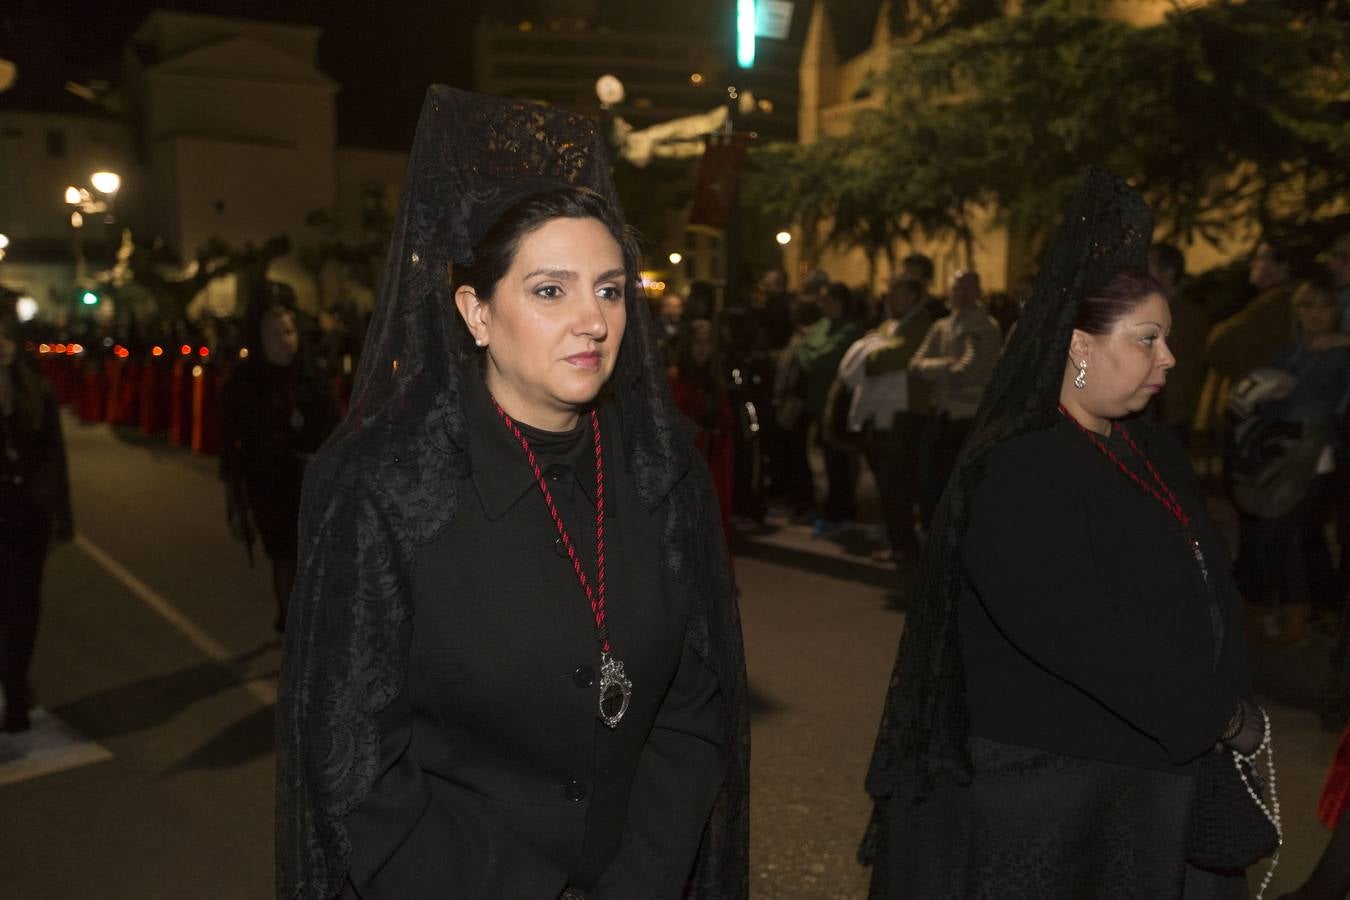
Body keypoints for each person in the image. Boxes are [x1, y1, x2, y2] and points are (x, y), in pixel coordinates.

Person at [276, 88, 748, 900]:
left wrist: (640, 878)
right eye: (550, 290)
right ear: (476, 312)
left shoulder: (661, 473)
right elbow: (354, 759)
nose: (593, 321)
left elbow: (695, 704)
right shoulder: (386, 491)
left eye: (609, 289)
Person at [861, 170, 1263, 898]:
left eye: (1166, 340)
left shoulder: (1154, 447)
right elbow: (1078, 628)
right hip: (1063, 795)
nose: (1167, 360)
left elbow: (1209, 575)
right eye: (1147, 340)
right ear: (1079, 344)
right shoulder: (1019, 468)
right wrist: (1217, 715)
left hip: (1164, 768)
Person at [1233, 275, 1350, 644]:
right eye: (1307, 305)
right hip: (1274, 453)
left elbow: (1307, 403)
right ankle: (1278, 613)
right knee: (1276, 533)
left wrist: (1274, 398)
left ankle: (1282, 613)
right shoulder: (1288, 350)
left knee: (1281, 532)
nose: (1315, 314)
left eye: (1324, 305)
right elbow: (1257, 397)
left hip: (1311, 457)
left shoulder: (1341, 353)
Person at [219, 293, 340, 633]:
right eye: (275, 333)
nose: (284, 340)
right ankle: (292, 622)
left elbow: (336, 428)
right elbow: (231, 441)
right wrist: (235, 488)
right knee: (285, 553)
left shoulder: (314, 378)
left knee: (313, 556)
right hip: (270, 483)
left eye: (289, 331)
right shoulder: (244, 384)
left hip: (313, 482)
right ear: (259, 338)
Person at [0, 301, 72, 732]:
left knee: (24, 606)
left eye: (7, 337)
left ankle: (18, 684)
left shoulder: (36, 388)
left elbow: (53, 455)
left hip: (27, 517)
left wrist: (51, 509)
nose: (2, 346)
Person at [836, 275, 934, 562]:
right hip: (884, 413)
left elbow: (889, 358)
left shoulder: (919, 324)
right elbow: (877, 346)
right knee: (888, 481)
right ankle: (898, 542)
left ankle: (904, 546)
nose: (890, 298)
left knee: (896, 482)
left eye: (896, 293)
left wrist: (873, 353)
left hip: (901, 414)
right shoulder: (894, 324)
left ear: (913, 296)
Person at [908, 268, 1002, 528]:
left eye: (967, 287)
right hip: (940, 416)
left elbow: (967, 373)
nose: (960, 292)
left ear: (978, 291)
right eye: (956, 286)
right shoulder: (942, 326)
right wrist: (947, 364)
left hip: (966, 421)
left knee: (959, 495)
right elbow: (914, 365)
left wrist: (936, 370)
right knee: (931, 488)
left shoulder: (986, 328)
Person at [797, 282, 863, 533]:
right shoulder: (823, 325)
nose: (819, 303)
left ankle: (842, 509)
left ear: (838, 302)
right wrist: (810, 351)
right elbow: (807, 352)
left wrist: (810, 350)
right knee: (824, 457)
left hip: (837, 406)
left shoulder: (848, 331)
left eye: (824, 299)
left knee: (838, 460)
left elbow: (820, 358)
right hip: (816, 401)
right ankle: (832, 507)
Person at [668, 319, 735, 539]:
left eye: (707, 345)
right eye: (698, 344)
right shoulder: (675, 377)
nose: (702, 351)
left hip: (711, 454)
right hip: (687, 456)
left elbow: (724, 417)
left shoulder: (715, 379)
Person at [1150, 242, 1211, 447]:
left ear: (1168, 273)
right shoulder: (1164, 310)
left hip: (1171, 415)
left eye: (1149, 266)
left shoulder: (1187, 315)